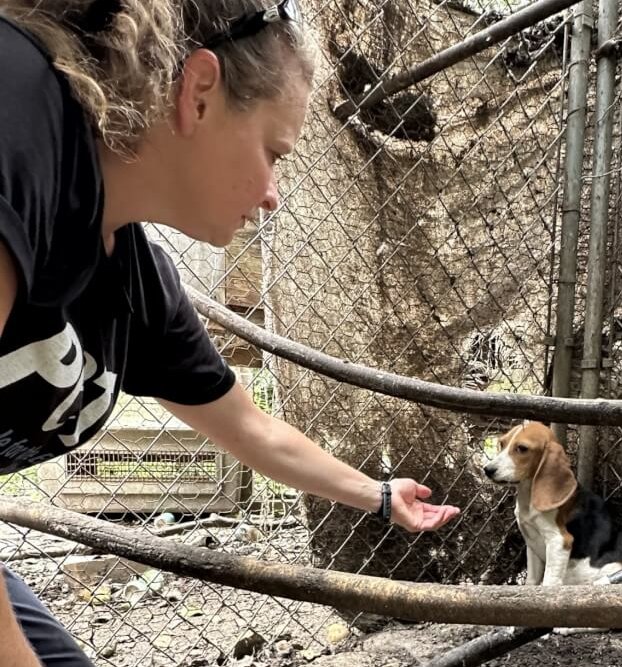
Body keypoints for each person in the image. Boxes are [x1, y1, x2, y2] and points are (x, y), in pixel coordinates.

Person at [0, 1, 461, 665]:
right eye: (273, 152)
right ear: (199, 93)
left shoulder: (135, 281)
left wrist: (381, 497)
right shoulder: (18, 108)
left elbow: (251, 430)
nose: (273, 193)